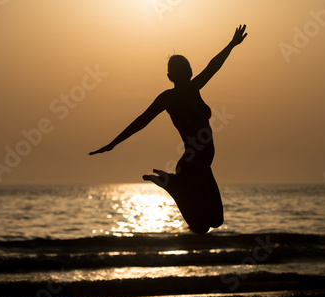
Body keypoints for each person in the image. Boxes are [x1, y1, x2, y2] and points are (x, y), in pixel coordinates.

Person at [89, 25, 248, 234]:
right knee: (201, 227)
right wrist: (113, 143)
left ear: (169, 75)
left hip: (203, 164)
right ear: (180, 74)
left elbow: (213, 66)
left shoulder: (189, 90)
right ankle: (173, 186)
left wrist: (231, 45)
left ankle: (173, 184)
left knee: (216, 221)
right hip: (192, 165)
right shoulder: (179, 93)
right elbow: (142, 121)